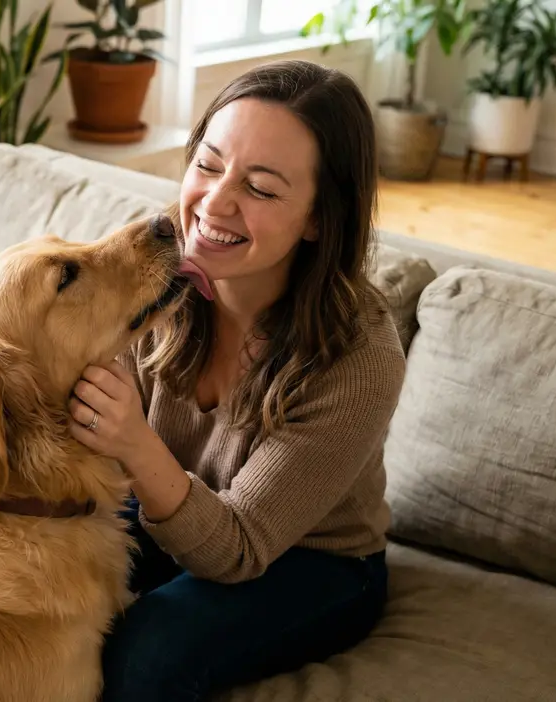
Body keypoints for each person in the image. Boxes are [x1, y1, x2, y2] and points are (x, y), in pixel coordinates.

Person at [67, 58, 406, 701]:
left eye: (262, 188)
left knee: (145, 655)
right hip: (172, 504)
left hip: (311, 558)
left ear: (317, 218)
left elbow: (240, 546)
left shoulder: (360, 353)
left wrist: (133, 441)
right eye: (209, 164)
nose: (215, 204)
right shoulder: (156, 263)